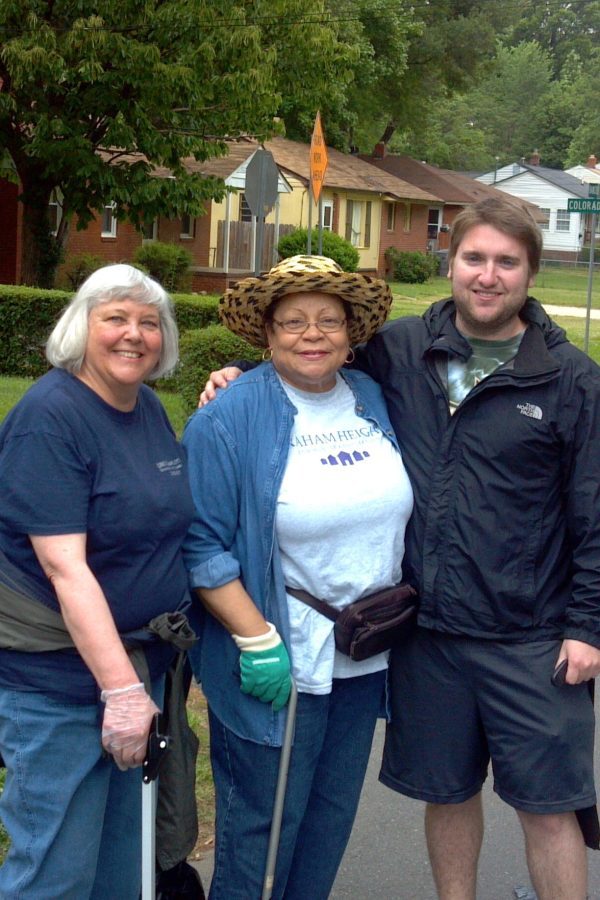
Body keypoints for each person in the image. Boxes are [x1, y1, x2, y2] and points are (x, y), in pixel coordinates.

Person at [201, 198, 600, 900]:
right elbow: (304, 353)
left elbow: (593, 509)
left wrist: (587, 625)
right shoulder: (403, 349)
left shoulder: (570, 380)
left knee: (547, 806)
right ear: (451, 264)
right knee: (440, 794)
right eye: (474, 258)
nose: (487, 275)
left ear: (530, 272)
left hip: (528, 636)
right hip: (427, 637)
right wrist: (238, 372)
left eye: (506, 262)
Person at [182, 254, 414, 899]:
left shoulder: (370, 396)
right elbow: (199, 542)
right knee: (263, 831)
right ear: (266, 332)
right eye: (293, 322)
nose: (312, 334)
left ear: (350, 333)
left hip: (362, 657)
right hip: (281, 660)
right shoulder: (229, 416)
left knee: (329, 821)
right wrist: (256, 642)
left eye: (328, 321)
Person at [0, 264, 195, 899]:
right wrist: (121, 692)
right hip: (61, 687)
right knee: (57, 871)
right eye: (115, 318)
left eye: (148, 322)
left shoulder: (146, 409)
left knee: (125, 865)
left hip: (139, 671)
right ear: (81, 327)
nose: (133, 334)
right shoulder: (49, 418)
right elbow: (64, 566)